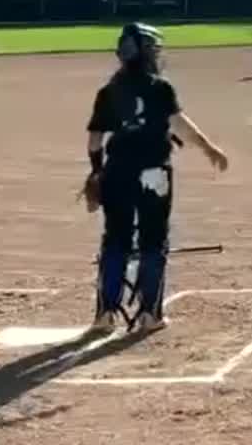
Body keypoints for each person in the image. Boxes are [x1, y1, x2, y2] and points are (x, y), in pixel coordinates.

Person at [82, 23, 228, 335]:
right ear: (146, 52)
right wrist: (209, 148)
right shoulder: (160, 88)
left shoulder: (108, 92)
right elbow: (179, 125)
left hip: (117, 172)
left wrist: (96, 170)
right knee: (153, 240)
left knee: (115, 239)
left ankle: (105, 314)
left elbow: (95, 140)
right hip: (153, 173)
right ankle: (150, 314)